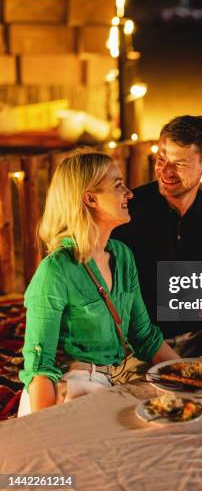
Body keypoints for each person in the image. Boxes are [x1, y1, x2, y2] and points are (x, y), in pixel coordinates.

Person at [18, 150, 178, 415]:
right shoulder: (56, 270)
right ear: (90, 199)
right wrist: (44, 429)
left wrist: (193, 378)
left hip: (113, 382)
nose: (129, 193)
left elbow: (145, 336)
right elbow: (40, 366)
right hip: (71, 390)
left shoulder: (123, 256)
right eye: (118, 186)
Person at [113, 115, 202, 337]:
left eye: (180, 164)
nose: (166, 172)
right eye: (161, 160)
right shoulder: (127, 211)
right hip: (135, 342)